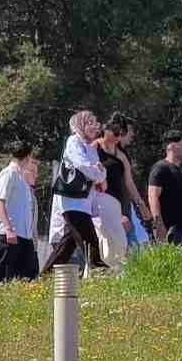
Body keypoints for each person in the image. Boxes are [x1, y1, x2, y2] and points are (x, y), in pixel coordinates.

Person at [41, 110, 109, 275]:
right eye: (89, 123)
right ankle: (100, 272)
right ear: (80, 125)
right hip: (72, 201)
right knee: (90, 241)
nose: (94, 126)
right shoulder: (74, 141)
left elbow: (101, 175)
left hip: (84, 202)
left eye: (95, 123)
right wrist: (96, 171)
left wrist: (97, 172)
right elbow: (82, 165)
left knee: (67, 246)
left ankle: (44, 277)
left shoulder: (91, 148)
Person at [91, 114, 141, 268]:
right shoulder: (94, 148)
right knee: (108, 248)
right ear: (106, 129)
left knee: (128, 249)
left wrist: (140, 204)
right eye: (116, 132)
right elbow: (93, 182)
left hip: (121, 207)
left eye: (121, 134)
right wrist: (117, 216)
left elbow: (129, 182)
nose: (118, 137)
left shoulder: (121, 155)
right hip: (102, 208)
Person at [0, 143, 39, 284]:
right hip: (8, 235)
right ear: (28, 156)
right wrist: (8, 228)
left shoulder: (22, 179)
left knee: (27, 278)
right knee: (1, 279)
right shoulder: (8, 173)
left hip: (24, 236)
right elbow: (0, 202)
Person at [147, 131, 182, 244]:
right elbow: (153, 197)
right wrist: (159, 225)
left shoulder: (180, 172)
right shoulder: (161, 168)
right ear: (172, 146)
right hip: (170, 231)